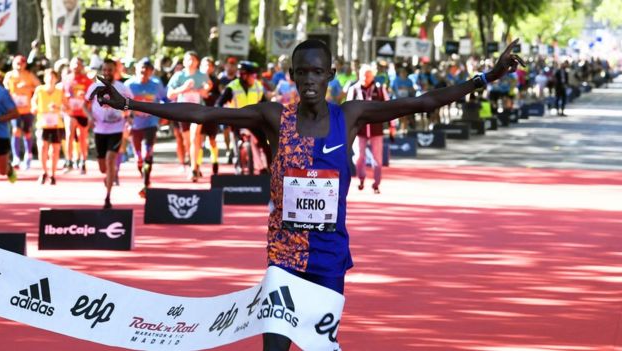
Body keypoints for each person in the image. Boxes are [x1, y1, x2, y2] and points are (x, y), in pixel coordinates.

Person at [90, 38, 524, 350]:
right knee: (275, 347)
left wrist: (489, 75)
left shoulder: (350, 115)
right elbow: (204, 112)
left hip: (330, 256)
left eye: (319, 72)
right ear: (292, 75)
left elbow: (426, 102)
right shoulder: (273, 117)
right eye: (303, 72)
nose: (311, 80)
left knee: (319, 347)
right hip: (284, 255)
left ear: (331, 75)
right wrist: (129, 105)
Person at [85, 59, 132, 209]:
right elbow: (85, 104)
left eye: (110, 70)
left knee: (110, 159)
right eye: (104, 70)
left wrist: (128, 117)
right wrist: (90, 117)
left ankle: (108, 197)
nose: (107, 73)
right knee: (103, 167)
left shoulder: (122, 88)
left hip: (116, 129)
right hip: (100, 130)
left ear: (115, 71)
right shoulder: (95, 87)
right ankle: (109, 176)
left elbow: (130, 104)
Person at [215, 61, 269, 175]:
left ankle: (269, 168)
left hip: (254, 121)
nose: (254, 78)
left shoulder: (258, 86)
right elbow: (219, 103)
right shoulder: (232, 87)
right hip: (236, 120)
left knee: (265, 143)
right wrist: (221, 114)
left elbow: (266, 104)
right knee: (236, 143)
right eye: (252, 75)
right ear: (244, 75)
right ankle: (238, 166)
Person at [125, 58, 168, 197]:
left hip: (151, 122)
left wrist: (166, 113)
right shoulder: (129, 85)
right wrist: (126, 118)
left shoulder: (156, 84)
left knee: (147, 152)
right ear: (136, 69)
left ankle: (145, 183)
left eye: (147, 69)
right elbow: (122, 104)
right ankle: (142, 172)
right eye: (141, 68)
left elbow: (165, 99)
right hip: (135, 124)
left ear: (151, 71)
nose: (143, 71)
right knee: (138, 157)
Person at [166, 51, 210, 182]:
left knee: (194, 137)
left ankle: (193, 169)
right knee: (187, 142)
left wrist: (204, 90)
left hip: (198, 111)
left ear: (197, 62)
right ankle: (194, 163)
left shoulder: (202, 75)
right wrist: (183, 88)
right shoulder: (178, 76)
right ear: (184, 62)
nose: (191, 62)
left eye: (193, 60)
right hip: (183, 112)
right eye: (188, 60)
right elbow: (170, 95)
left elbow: (208, 88)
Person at [346, 64, 390, 194]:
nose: (365, 77)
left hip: (376, 129)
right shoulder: (354, 89)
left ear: (373, 76)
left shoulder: (380, 89)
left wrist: (392, 126)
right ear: (359, 75)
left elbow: (389, 107)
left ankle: (376, 184)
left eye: (368, 75)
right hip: (359, 130)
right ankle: (361, 178)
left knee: (377, 158)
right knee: (359, 157)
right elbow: (347, 109)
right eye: (364, 75)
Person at [3, 55, 40, 170]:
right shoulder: (9, 76)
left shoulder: (29, 75)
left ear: (25, 64)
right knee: (16, 131)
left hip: (27, 109)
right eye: (17, 63)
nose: (19, 65)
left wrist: (28, 88)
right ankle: (16, 157)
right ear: (13, 63)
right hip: (15, 109)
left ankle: (28, 155)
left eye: (21, 63)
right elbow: (5, 90)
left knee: (27, 131)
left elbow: (39, 87)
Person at [31, 69, 65, 185]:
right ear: (44, 78)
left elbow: (67, 107)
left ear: (56, 79)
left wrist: (58, 108)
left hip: (56, 125)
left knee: (55, 151)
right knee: (42, 148)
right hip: (42, 123)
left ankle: (53, 174)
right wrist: (34, 107)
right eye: (48, 77)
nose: (50, 80)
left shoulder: (60, 91)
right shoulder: (39, 90)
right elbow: (33, 102)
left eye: (52, 77)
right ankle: (44, 171)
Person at [62, 57, 93, 174]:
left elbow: (92, 97)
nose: (76, 66)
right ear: (70, 65)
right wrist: (65, 106)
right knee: (69, 135)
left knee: (82, 138)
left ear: (82, 66)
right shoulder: (66, 79)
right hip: (70, 113)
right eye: (74, 63)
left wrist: (85, 97)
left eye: (79, 64)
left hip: (83, 112)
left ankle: (83, 161)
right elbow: (62, 96)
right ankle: (68, 161)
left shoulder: (87, 81)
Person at [0, 81, 19, 183]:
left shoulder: (2, 93)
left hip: (0, 135)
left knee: (2, 171)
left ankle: (8, 167)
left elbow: (15, 113)